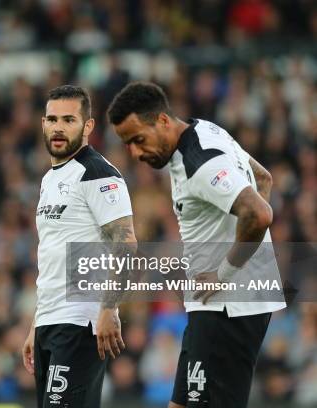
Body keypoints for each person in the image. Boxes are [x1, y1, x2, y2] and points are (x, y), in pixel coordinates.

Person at [107, 81, 287, 408]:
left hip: (227, 307)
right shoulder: (205, 129)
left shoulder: (200, 163)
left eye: (138, 140)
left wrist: (226, 272)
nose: (134, 153)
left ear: (162, 121)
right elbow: (262, 179)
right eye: (127, 144)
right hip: (212, 306)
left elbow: (259, 213)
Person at [22, 85, 137, 407]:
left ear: (87, 126)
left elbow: (126, 244)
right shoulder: (50, 179)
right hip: (50, 321)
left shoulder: (97, 174)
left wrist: (109, 308)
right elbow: (53, 255)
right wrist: (36, 324)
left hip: (81, 321)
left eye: (69, 120)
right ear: (43, 123)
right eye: (52, 119)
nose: (58, 127)